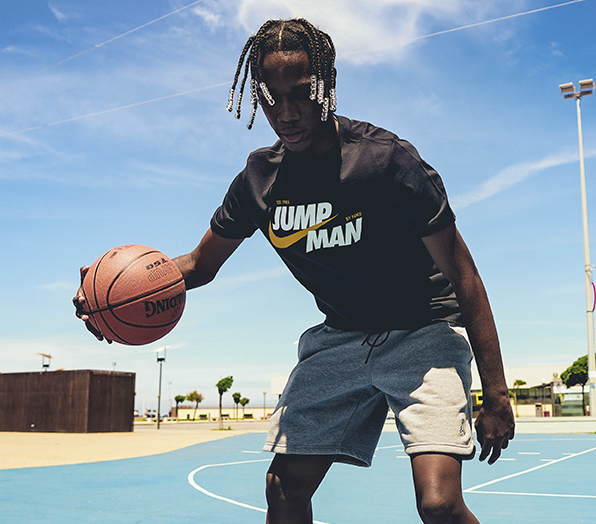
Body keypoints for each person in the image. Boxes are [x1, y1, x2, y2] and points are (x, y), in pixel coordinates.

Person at [74, 18, 514, 523]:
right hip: (340, 338)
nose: (286, 112)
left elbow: (465, 278)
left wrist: (495, 393)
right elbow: (197, 266)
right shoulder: (259, 180)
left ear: (326, 85)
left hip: (423, 330)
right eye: (271, 96)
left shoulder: (384, 161)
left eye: (302, 93)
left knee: (438, 504)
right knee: (283, 489)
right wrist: (110, 297)